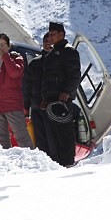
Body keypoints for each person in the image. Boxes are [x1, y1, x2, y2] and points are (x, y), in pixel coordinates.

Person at [35, 22, 81, 167]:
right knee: (53, 136)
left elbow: (74, 75)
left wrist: (67, 92)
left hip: (62, 102)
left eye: (54, 34)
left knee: (65, 134)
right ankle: (57, 164)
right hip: (50, 102)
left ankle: (68, 162)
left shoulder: (69, 52)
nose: (51, 37)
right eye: (49, 34)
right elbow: (46, 80)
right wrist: (44, 99)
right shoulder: (51, 55)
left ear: (62, 34)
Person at [24, 32, 53, 153]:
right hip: (36, 106)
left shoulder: (59, 62)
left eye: (50, 41)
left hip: (53, 107)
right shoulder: (34, 63)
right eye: (45, 41)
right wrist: (26, 107)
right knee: (40, 138)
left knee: (53, 137)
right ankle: (45, 162)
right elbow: (27, 87)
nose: (47, 44)